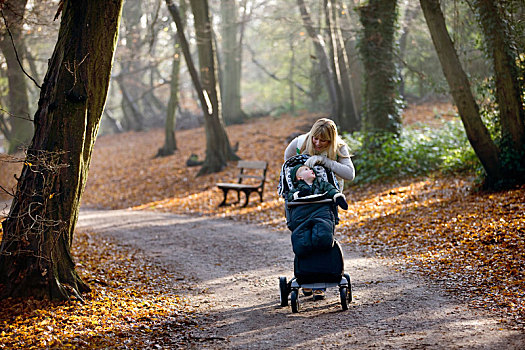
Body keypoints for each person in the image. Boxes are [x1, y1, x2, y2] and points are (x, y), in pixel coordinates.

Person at [284, 118, 355, 189]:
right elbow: (288, 162)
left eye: (323, 140)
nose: (318, 143)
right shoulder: (299, 142)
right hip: (303, 192)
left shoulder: (339, 147)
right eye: (315, 138)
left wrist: (324, 161)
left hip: (331, 192)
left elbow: (350, 175)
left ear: (331, 140)